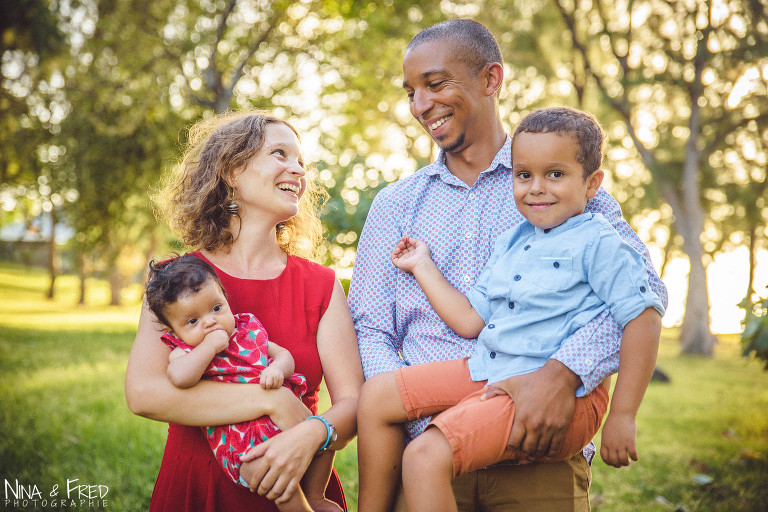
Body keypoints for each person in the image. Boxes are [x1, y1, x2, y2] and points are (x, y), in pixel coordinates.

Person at [349, 20, 668, 511]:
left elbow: (645, 294)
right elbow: (370, 329)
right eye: (411, 92)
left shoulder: (560, 183)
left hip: (539, 451)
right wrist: (431, 423)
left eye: (436, 85)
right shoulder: (396, 205)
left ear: (491, 80)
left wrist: (562, 374)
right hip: (425, 456)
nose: (420, 106)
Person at [125, 110, 364, 512]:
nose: (298, 170)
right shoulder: (176, 282)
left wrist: (309, 435)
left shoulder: (322, 284)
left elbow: (354, 403)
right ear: (232, 171)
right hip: (200, 489)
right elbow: (145, 393)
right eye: (280, 154)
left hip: (302, 486)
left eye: (301, 162)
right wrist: (271, 401)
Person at [144, 254, 341, 512]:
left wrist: (277, 369)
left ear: (226, 299)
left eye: (216, 308)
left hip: (287, 417)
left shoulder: (247, 329)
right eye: (192, 321)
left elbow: (283, 355)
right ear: (174, 332)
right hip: (243, 441)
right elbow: (179, 378)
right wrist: (209, 347)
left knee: (324, 438)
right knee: (273, 477)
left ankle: (316, 496)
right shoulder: (184, 352)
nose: (210, 321)